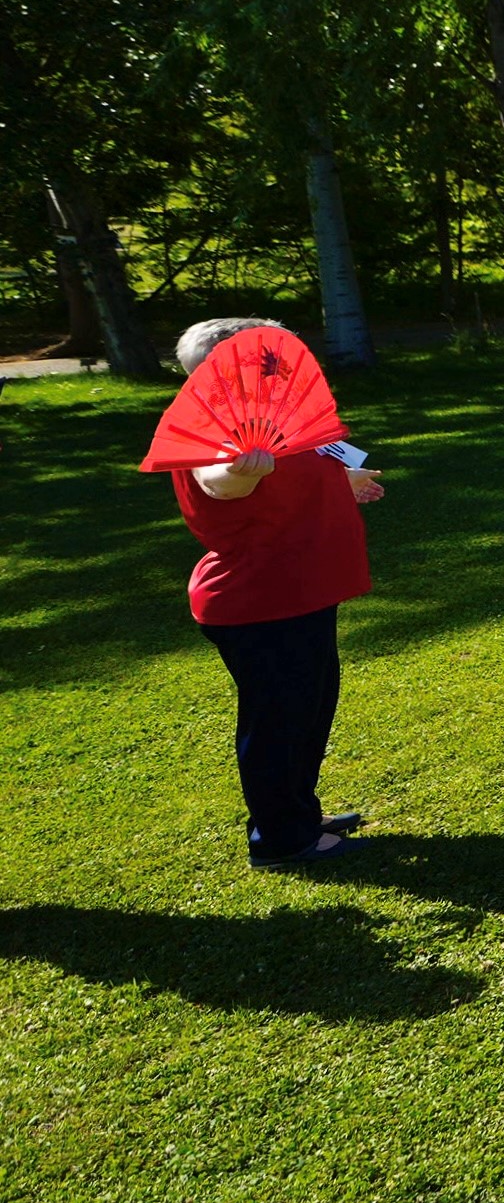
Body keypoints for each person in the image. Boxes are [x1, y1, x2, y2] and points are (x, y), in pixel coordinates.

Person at [165, 318, 388, 867]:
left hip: (302, 592)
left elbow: (301, 476)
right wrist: (243, 472)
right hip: (260, 602)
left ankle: (297, 815)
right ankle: (281, 839)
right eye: (265, 362)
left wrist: (344, 482)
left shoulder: (280, 417)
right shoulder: (211, 428)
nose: (278, 369)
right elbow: (217, 481)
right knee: (278, 723)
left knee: (308, 713)